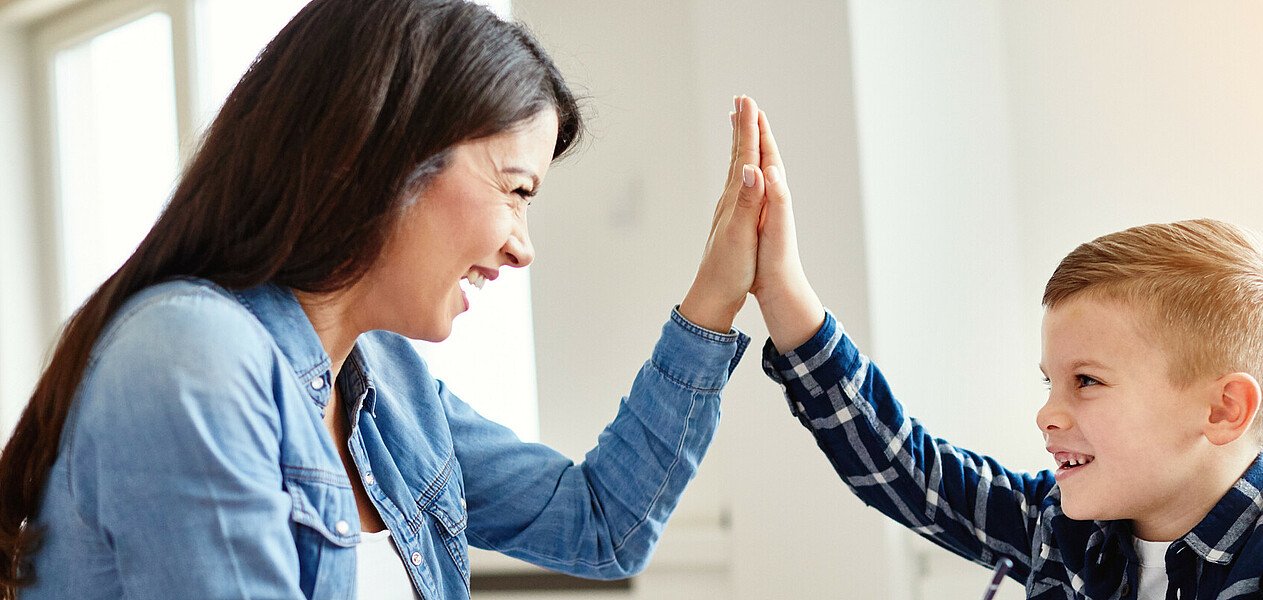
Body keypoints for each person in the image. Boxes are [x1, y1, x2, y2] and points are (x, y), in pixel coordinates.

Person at [0, 1, 774, 597]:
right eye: (514, 191)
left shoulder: (388, 387)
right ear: (383, 151)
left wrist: (716, 294)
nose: (521, 245)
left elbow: (602, 525)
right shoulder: (193, 358)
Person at [742, 110, 1263, 597]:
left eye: (1086, 381)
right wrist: (782, 293)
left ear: (1221, 410)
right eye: (1048, 381)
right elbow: (906, 469)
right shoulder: (1062, 524)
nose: (1046, 414)